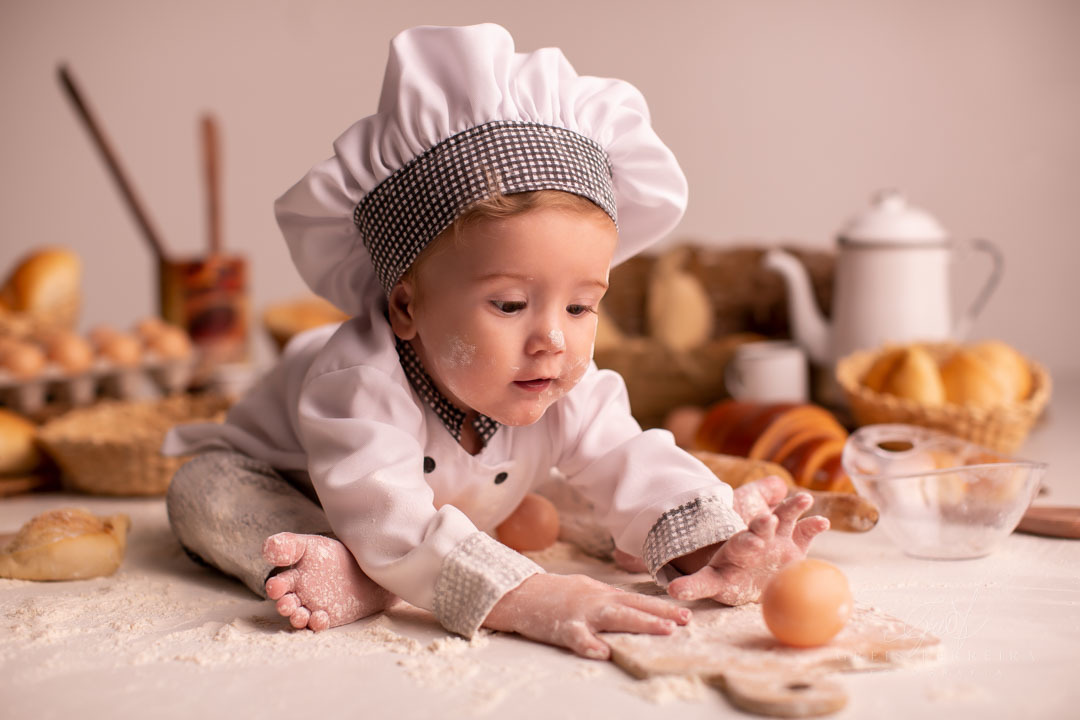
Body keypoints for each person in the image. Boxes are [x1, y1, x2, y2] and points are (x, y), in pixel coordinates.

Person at [163, 23, 828, 661]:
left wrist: (714, 547)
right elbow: (389, 519)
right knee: (204, 491)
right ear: (406, 308)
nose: (552, 339)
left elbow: (630, 460)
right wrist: (533, 596)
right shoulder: (359, 383)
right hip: (300, 489)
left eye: (580, 305)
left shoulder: (564, 381)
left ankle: (394, 573)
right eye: (509, 304)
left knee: (575, 498)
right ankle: (348, 564)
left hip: (435, 518)